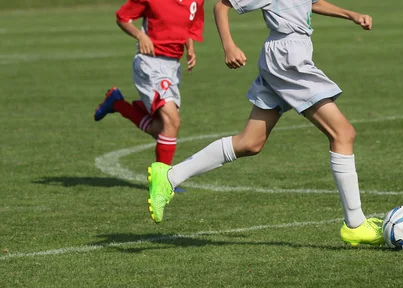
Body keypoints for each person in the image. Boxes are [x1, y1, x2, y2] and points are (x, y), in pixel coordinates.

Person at [146, 0, 382, 247]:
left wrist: (351, 15)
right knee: (343, 133)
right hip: (287, 59)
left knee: (250, 143)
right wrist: (229, 46)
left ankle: (170, 176)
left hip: (288, 55)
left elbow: (313, 2)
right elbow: (221, 6)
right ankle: (355, 224)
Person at [94, 0, 205, 167]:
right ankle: (162, 182)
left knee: (161, 129)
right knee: (172, 121)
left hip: (173, 68)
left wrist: (190, 48)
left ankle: (117, 103)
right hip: (150, 63)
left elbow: (187, 26)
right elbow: (122, 17)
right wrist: (140, 35)